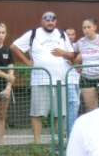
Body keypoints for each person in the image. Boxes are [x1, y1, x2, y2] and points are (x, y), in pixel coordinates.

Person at [10, 11, 75, 144]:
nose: (50, 22)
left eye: (52, 20)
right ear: (42, 21)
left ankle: (59, 144)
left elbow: (72, 55)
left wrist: (63, 53)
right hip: (40, 80)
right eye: (47, 19)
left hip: (60, 81)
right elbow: (14, 46)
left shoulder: (62, 34)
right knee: (37, 113)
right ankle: (37, 143)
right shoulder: (33, 33)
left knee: (60, 114)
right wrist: (27, 62)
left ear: (56, 21)